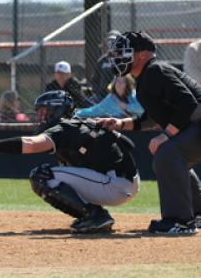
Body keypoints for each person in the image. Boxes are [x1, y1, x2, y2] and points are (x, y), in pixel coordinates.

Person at [0, 90, 140, 234]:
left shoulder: (63, 128)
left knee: (43, 176)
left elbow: (32, 144)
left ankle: (95, 216)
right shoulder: (75, 124)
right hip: (121, 181)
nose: (40, 117)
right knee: (58, 171)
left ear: (57, 110)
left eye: (44, 111)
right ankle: (93, 215)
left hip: (115, 183)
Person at [99, 31, 201, 235]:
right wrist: (119, 123)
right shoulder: (146, 76)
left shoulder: (155, 71)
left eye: (124, 52)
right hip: (195, 125)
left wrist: (166, 135)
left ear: (143, 55)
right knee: (172, 156)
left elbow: (188, 103)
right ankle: (196, 213)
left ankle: (180, 220)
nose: (118, 57)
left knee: (168, 153)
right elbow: (151, 118)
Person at [75, 74, 144, 120]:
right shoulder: (111, 98)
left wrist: (126, 106)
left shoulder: (134, 95)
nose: (119, 84)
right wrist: (77, 113)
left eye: (122, 82)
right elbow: (94, 110)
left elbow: (142, 109)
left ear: (127, 85)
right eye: (117, 81)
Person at [90, 30, 121, 101]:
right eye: (109, 41)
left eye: (114, 41)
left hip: (120, 95)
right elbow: (95, 79)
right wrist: (97, 92)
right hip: (102, 95)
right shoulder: (102, 60)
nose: (111, 44)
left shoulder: (125, 60)